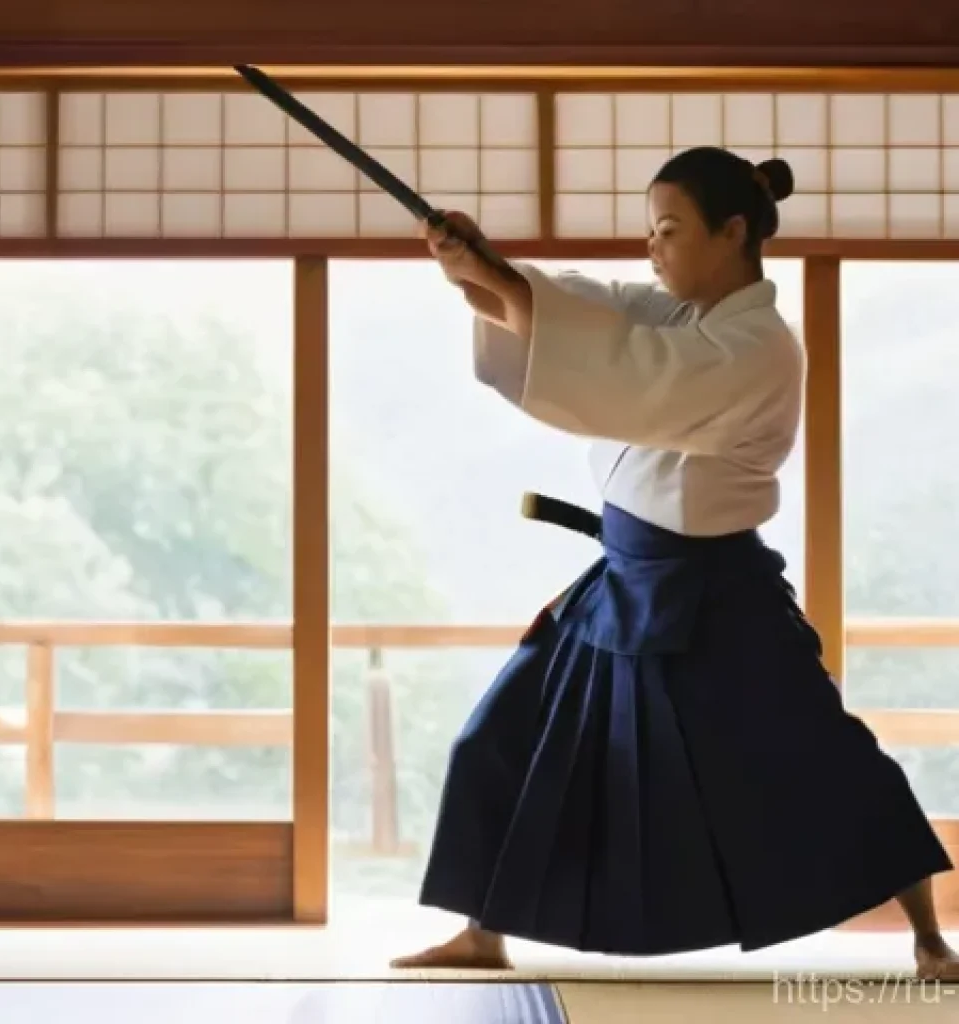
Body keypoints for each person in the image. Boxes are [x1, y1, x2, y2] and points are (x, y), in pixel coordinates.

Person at [390, 146, 959, 981]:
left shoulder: (758, 345)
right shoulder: (681, 315)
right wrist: (480, 269)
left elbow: (632, 377)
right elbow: (592, 316)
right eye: (649, 229)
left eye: (669, 229)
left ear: (733, 233)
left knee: (826, 756)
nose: (652, 247)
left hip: (717, 590)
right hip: (623, 581)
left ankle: (929, 939)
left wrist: (503, 285)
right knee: (500, 737)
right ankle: (483, 931)